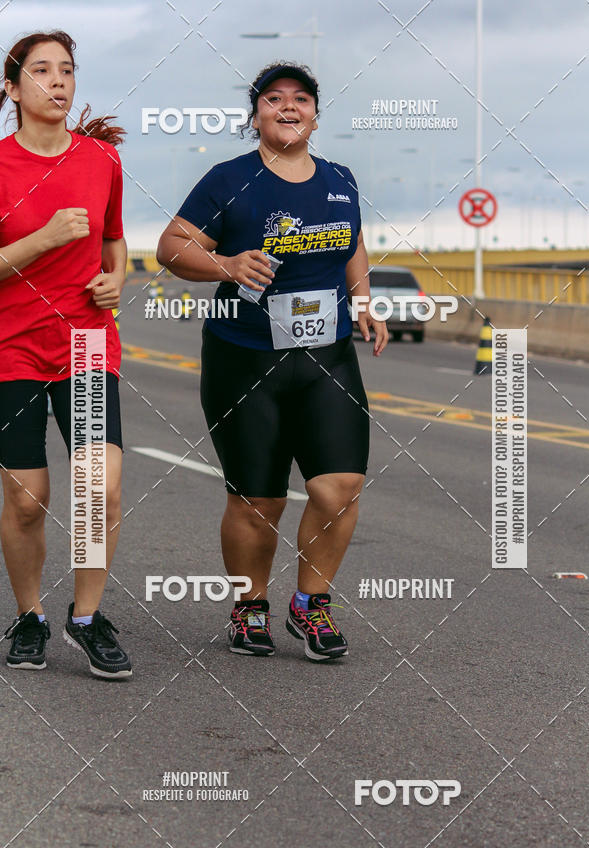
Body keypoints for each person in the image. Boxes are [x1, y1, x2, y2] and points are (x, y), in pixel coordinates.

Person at [157, 61, 387, 662]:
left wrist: (364, 300)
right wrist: (227, 265)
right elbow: (173, 246)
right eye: (274, 99)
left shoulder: (339, 178)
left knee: (340, 486)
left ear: (315, 112)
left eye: (301, 99)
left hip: (326, 357)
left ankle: (311, 606)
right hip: (246, 358)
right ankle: (248, 606)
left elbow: (353, 241)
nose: (289, 108)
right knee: (259, 502)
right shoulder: (228, 178)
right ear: (255, 113)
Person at [0, 30, 132, 678]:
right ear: (12, 86)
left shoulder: (100, 160)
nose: (58, 81)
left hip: (85, 342)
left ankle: (86, 616)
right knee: (28, 501)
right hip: (11, 349)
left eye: (68, 70)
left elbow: (116, 242)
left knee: (97, 488)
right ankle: (29, 616)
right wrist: (45, 239)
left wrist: (118, 280)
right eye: (42, 71)